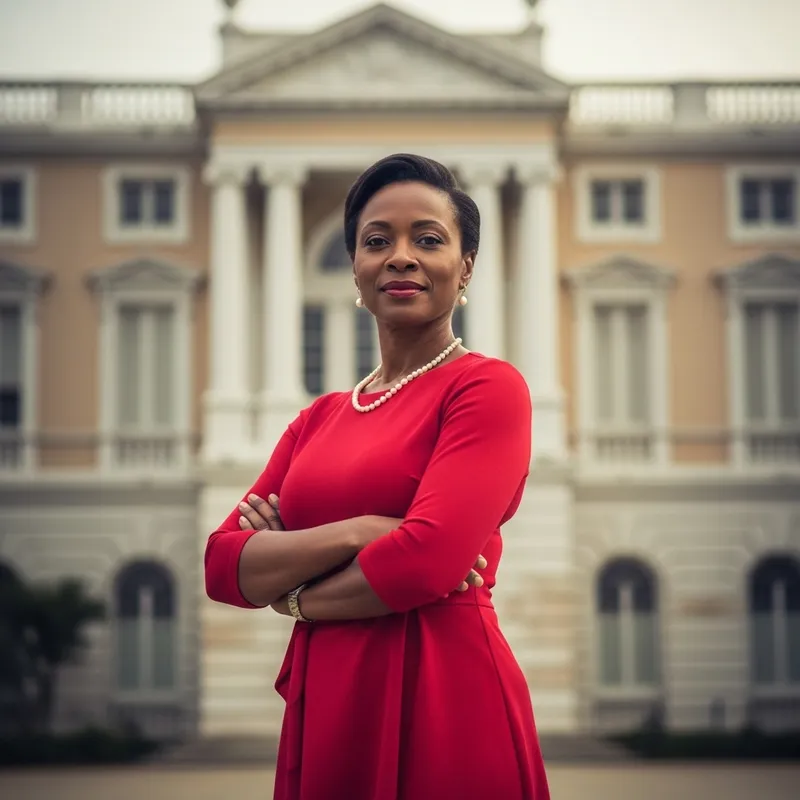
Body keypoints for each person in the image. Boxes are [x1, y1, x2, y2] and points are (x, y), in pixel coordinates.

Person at [204, 153, 550, 800]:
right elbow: (224, 566)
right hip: (331, 697)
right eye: (376, 241)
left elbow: (426, 560)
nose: (400, 256)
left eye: (427, 238)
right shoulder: (320, 417)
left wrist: (294, 594)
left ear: (464, 265)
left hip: (444, 695)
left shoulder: (487, 388)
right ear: (356, 272)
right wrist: (364, 531)